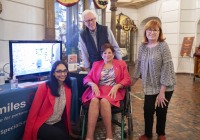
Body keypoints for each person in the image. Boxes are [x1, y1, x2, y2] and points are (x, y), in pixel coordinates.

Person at [132, 20, 176, 140]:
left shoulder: (163, 46)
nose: (152, 32)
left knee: (161, 110)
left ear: (159, 32)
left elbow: (167, 67)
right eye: (149, 30)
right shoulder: (142, 47)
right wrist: (132, 82)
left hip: (165, 84)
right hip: (150, 84)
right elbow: (139, 65)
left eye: (155, 30)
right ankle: (147, 134)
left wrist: (162, 91)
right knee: (148, 109)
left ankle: (161, 133)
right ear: (145, 32)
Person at [81, 43, 131, 140]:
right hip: (98, 89)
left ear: (113, 54)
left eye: (109, 53)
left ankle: (109, 135)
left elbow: (127, 79)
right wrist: (93, 84)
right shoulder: (96, 64)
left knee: (104, 101)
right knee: (94, 101)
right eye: (105, 53)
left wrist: (117, 86)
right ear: (101, 55)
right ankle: (89, 136)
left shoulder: (121, 64)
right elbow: (87, 78)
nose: (107, 55)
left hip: (113, 91)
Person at [23, 60, 76, 140]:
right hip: (43, 124)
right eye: (59, 71)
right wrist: (27, 137)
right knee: (62, 137)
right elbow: (33, 113)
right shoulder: (44, 87)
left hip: (57, 121)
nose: (63, 74)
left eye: (65, 71)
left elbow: (66, 113)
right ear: (53, 73)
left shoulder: (67, 88)